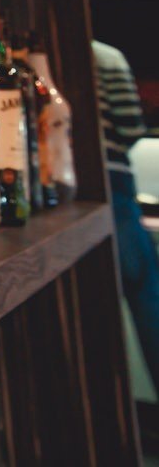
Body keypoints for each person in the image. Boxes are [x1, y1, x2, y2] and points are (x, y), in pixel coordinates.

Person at [97, 39, 159, 384]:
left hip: (63, 190)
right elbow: (131, 128)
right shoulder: (107, 57)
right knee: (147, 296)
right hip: (114, 183)